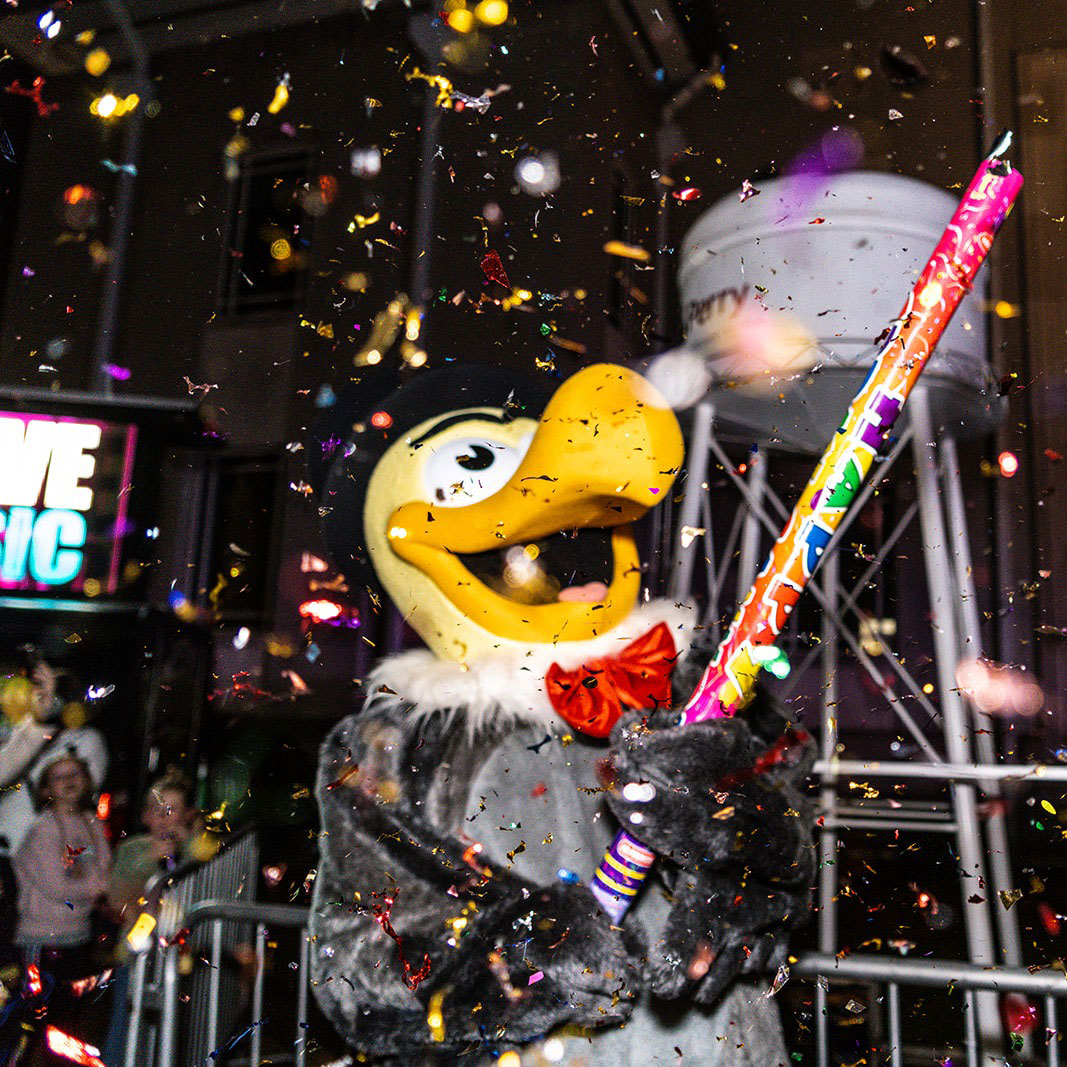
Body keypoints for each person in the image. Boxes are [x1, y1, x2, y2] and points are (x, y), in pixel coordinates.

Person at [12, 754, 111, 1066]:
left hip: (78, 936)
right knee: (35, 1022)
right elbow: (56, 886)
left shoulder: (92, 824)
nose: (69, 781)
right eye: (58, 776)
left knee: (68, 1022)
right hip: (42, 938)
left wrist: (94, 885)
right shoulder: (43, 830)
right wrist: (95, 888)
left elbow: (106, 868)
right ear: (45, 789)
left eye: (75, 773)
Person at [101, 772, 200, 1067]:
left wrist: (191, 841)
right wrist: (151, 860)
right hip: (137, 954)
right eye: (157, 810)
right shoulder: (133, 849)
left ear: (188, 815)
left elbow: (208, 863)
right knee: (126, 1022)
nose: (164, 818)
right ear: (145, 816)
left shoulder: (192, 850)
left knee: (170, 1029)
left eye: (173, 810)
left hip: (177, 955)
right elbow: (117, 897)